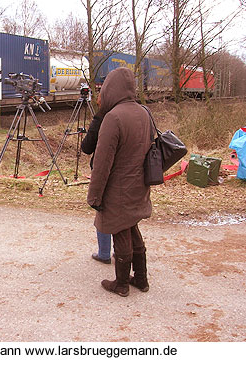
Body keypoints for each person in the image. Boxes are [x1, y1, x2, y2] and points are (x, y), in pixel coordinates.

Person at [87, 67, 152, 297]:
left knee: (120, 230)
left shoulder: (113, 117)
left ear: (111, 90)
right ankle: (141, 279)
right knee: (133, 226)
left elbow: (102, 162)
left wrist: (94, 196)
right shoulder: (144, 112)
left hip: (119, 187)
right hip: (140, 184)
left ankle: (122, 283)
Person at [81, 94, 112, 265]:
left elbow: (86, 147)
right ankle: (122, 250)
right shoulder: (136, 111)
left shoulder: (103, 117)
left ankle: (104, 252)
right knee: (124, 213)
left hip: (105, 171)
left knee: (103, 210)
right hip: (130, 172)